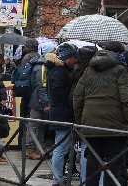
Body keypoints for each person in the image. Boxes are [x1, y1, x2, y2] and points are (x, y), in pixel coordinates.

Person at [73, 42, 128, 186]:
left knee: (93, 158)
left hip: (90, 121)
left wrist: (80, 118)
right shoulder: (120, 70)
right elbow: (127, 99)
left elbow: (77, 96)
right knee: (113, 161)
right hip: (115, 123)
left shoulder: (89, 70)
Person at [46, 43, 79, 186]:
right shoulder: (59, 72)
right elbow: (59, 92)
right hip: (62, 113)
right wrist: (69, 102)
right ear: (67, 58)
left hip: (60, 112)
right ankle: (57, 179)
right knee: (60, 148)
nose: (75, 61)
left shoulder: (57, 70)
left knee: (61, 147)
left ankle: (58, 178)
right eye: (73, 58)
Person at [24, 42, 54, 160]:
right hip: (38, 101)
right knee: (34, 124)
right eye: (53, 51)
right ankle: (30, 149)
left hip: (39, 99)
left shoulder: (42, 65)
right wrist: (45, 102)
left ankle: (39, 148)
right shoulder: (41, 66)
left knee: (41, 125)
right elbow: (41, 85)